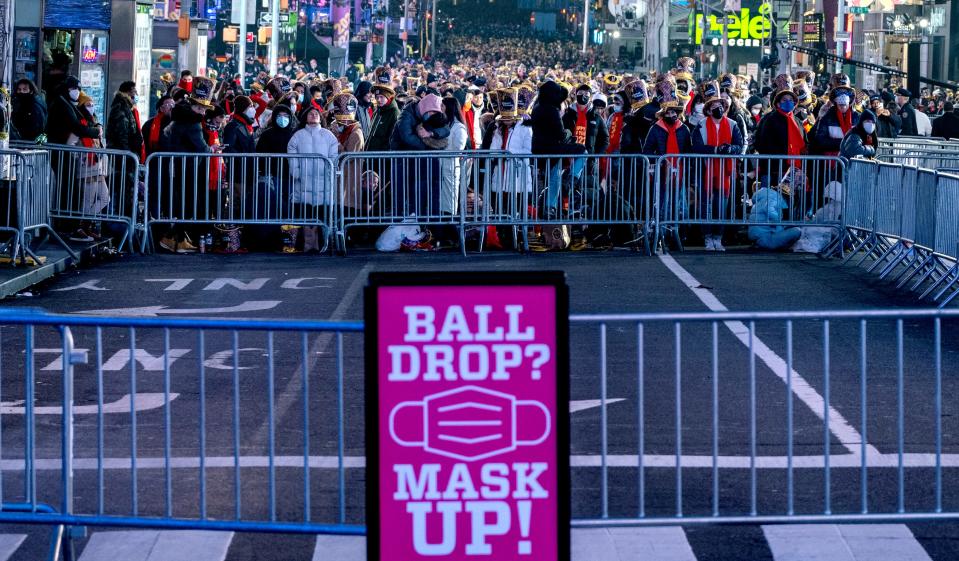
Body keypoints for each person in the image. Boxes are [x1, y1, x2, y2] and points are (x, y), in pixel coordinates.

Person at [691, 80, 745, 252]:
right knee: (705, 205)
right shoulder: (700, 125)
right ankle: (707, 237)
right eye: (713, 104)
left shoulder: (732, 124)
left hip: (725, 172)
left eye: (720, 104)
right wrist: (715, 149)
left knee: (721, 205)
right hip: (705, 169)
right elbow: (697, 146)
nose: (717, 107)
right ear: (708, 108)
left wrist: (730, 148)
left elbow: (740, 144)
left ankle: (718, 237)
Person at [287, 106, 338, 252]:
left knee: (323, 215)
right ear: (305, 117)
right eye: (310, 113)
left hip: (324, 184)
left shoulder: (328, 135)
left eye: (316, 113)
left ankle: (323, 244)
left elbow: (333, 156)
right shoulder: (298, 135)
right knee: (305, 214)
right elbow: (292, 152)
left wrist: (330, 170)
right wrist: (296, 171)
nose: (314, 115)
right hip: (303, 183)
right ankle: (307, 245)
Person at [66, 92, 110, 242]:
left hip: (98, 168)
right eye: (87, 105)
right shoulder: (80, 126)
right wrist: (80, 157)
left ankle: (84, 224)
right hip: (86, 168)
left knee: (105, 198)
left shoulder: (95, 124)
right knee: (88, 200)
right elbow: (70, 145)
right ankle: (83, 227)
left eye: (92, 105)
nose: (91, 107)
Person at [753, 74, 805, 186]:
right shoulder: (769, 119)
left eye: (791, 100)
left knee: (790, 202)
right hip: (772, 171)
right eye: (784, 100)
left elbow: (805, 144)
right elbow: (759, 143)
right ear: (777, 103)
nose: (788, 102)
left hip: (793, 171)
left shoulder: (798, 122)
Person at [748, 169, 802, 250]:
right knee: (797, 231)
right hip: (765, 239)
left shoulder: (767, 195)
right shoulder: (775, 198)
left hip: (760, 237)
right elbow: (769, 209)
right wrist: (779, 223)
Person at [814, 74, 860, 157]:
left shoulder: (857, 116)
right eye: (838, 91)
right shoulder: (826, 114)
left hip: (853, 162)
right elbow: (818, 139)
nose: (842, 95)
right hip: (831, 162)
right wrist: (820, 117)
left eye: (846, 92)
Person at [46, 76, 100, 146]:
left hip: (62, 146)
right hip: (59, 146)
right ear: (66, 88)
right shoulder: (62, 104)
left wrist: (97, 125)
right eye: (73, 88)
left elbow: (85, 119)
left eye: (78, 89)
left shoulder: (69, 103)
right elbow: (76, 126)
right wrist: (96, 131)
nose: (77, 91)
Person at [367, 78, 401, 151]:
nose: (378, 100)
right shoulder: (377, 111)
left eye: (381, 97)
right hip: (371, 157)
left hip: (383, 158)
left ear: (388, 97)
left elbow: (393, 138)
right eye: (377, 97)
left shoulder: (394, 112)